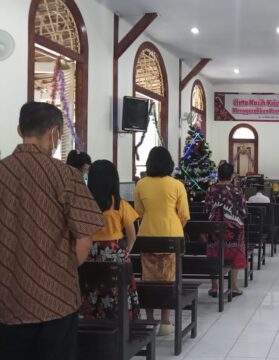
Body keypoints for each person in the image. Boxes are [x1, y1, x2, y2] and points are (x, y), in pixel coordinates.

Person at [0, 102, 104, 359]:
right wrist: (63, 269)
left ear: (19, 130)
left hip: (8, 297)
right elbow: (85, 237)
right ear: (55, 133)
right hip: (56, 297)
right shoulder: (66, 175)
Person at [134, 146, 190, 336]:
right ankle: (165, 321)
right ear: (169, 164)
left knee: (148, 278)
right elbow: (183, 215)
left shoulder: (141, 184)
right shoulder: (176, 185)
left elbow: (139, 213)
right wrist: (173, 228)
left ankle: (149, 319)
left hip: (146, 234)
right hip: (171, 236)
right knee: (168, 278)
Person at [84, 160, 140, 320]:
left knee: (93, 290)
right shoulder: (120, 205)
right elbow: (132, 235)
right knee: (119, 291)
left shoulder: (85, 205)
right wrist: (125, 252)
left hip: (90, 254)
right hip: (116, 254)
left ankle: (93, 321)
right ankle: (123, 322)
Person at [205, 163, 247, 297]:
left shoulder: (211, 189)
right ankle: (234, 286)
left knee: (213, 253)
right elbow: (244, 211)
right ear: (232, 175)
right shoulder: (236, 190)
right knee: (235, 254)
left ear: (218, 174)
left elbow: (206, 209)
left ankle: (214, 287)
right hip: (234, 227)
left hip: (214, 227)